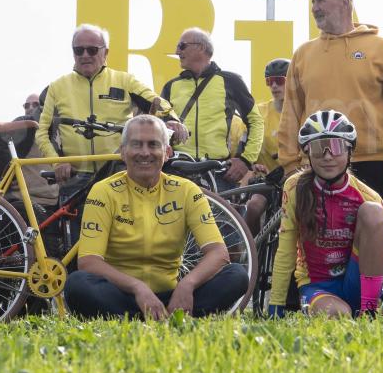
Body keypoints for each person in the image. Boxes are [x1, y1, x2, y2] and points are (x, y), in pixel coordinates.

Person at [63, 115, 249, 319]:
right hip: (120, 293)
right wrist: (137, 287)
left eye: (153, 145)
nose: (144, 153)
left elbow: (218, 253)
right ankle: (160, 317)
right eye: (136, 145)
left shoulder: (187, 190)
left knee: (237, 275)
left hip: (173, 294)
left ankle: (151, 315)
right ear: (123, 152)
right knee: (77, 284)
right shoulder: (103, 191)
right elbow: (89, 262)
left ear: (167, 152)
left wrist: (188, 284)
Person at [267, 110, 383, 317]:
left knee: (373, 211)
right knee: (340, 315)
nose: (328, 156)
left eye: (336, 147)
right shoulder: (294, 187)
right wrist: (275, 305)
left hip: (356, 283)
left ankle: (369, 312)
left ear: (349, 152)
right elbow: (285, 251)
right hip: (316, 287)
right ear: (308, 153)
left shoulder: (366, 195)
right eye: (319, 148)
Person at [277, 0, 383, 198]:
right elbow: (290, 112)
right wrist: (290, 162)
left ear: (345, 3)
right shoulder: (302, 54)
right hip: (315, 160)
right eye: (313, 2)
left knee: (368, 229)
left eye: (320, 1)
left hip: (369, 160)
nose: (314, 8)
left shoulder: (381, 47)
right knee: (313, 231)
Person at [37, 24, 186, 200]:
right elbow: (43, 132)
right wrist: (58, 163)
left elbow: (155, 102)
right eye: (79, 50)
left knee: (127, 226)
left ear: (105, 52)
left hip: (118, 171)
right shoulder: (57, 87)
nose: (85, 55)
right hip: (75, 176)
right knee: (78, 228)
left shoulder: (124, 80)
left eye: (92, 50)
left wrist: (172, 120)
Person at [160, 28, 264, 189]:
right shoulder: (170, 86)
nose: (176, 51)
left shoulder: (231, 81)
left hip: (217, 171)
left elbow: (256, 121)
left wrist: (246, 160)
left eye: (182, 46)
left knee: (222, 215)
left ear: (201, 47)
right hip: (176, 168)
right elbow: (159, 126)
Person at [238, 58, 288, 234]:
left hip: (294, 177)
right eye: (269, 81)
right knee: (253, 207)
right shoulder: (259, 112)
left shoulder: (303, 112)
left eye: (280, 81)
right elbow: (244, 147)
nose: (274, 86)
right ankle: (254, 252)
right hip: (267, 178)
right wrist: (252, 164)